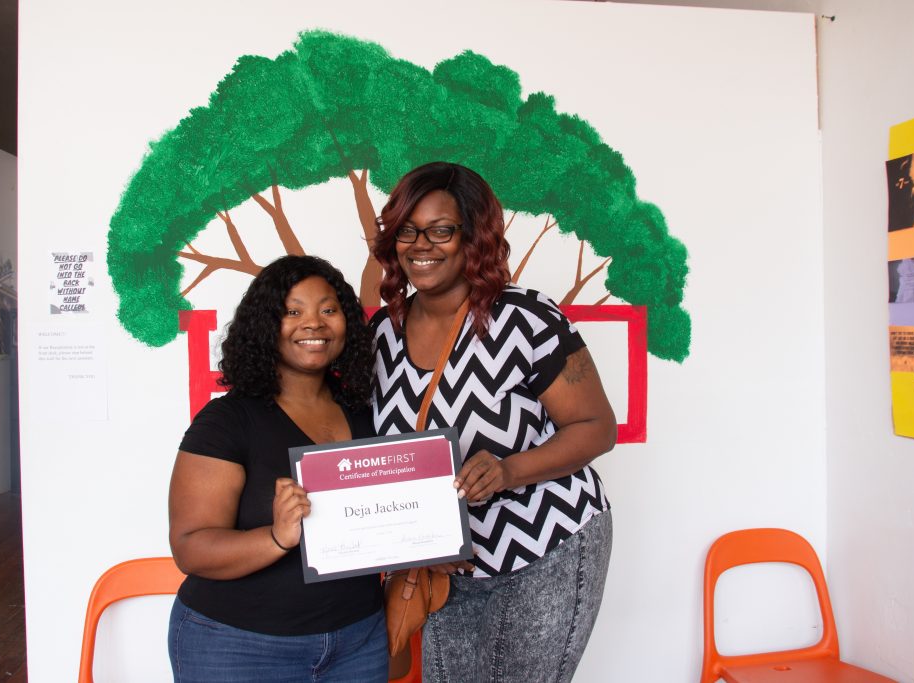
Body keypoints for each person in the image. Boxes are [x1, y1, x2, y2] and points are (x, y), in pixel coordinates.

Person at [370, 161, 618, 682]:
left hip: (542, 545)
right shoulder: (383, 332)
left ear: (474, 237)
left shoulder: (526, 318)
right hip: (445, 567)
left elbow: (597, 426)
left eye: (441, 230)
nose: (421, 245)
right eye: (407, 231)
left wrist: (509, 471)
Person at [167, 255, 387, 682]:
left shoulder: (366, 414)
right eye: (292, 311)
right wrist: (276, 537)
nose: (314, 324)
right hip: (236, 644)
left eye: (328, 309)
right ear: (266, 325)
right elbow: (189, 547)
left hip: (358, 640)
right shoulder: (227, 422)